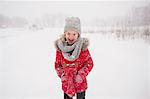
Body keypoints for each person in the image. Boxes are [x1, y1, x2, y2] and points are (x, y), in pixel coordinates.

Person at [54, 17, 94, 99]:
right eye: (68, 34)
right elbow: (57, 65)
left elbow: (89, 63)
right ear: (65, 34)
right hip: (67, 84)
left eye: (74, 34)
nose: (71, 37)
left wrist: (81, 74)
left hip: (80, 83)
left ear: (78, 35)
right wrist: (62, 75)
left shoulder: (82, 48)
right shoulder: (60, 49)